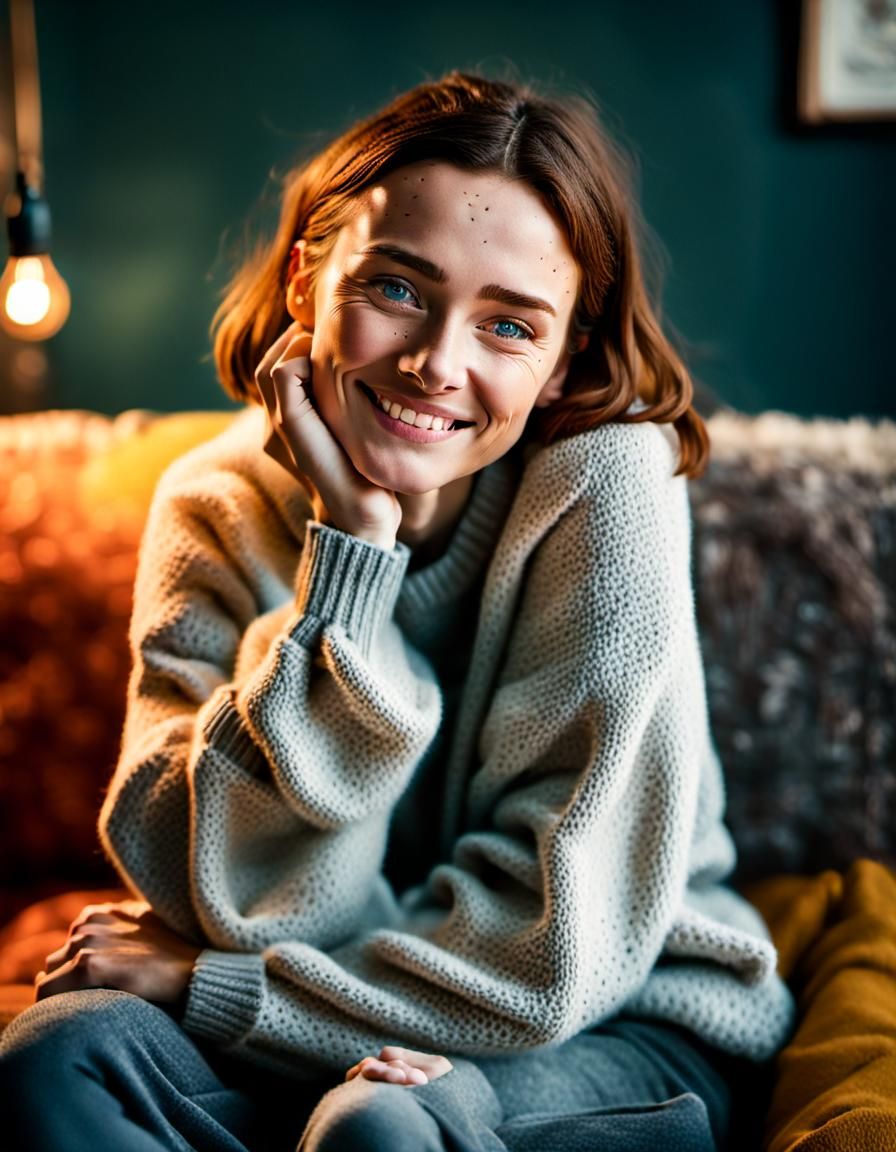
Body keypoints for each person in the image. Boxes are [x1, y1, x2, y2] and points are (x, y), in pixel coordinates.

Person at [0, 70, 794, 1151]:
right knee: (54, 1059)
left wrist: (233, 993)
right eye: (399, 290)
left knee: (378, 1123)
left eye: (510, 327)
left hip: (609, 1017)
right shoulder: (214, 503)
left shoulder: (607, 487)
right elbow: (231, 895)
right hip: (330, 1002)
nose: (436, 364)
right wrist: (352, 559)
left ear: (564, 360)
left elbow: (549, 953)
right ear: (303, 280)